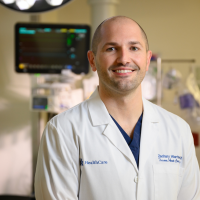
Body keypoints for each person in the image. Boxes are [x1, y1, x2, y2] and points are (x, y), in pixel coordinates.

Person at [35, 16, 200, 200]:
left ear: (147, 60)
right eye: (111, 48)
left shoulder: (178, 130)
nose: (123, 59)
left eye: (134, 48)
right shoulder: (63, 130)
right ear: (92, 60)